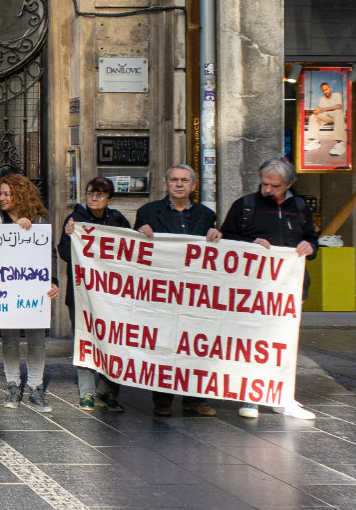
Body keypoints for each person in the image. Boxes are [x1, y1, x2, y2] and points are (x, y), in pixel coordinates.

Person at [214, 157, 318, 418]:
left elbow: (312, 239)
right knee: (252, 341)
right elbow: (227, 237)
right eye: (264, 184)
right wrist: (249, 243)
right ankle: (250, 396)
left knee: (285, 342)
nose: (268, 190)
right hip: (253, 287)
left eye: (275, 186)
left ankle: (283, 396)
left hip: (289, 287)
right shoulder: (246, 206)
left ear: (290, 184)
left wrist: (310, 247)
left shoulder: (300, 207)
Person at [134, 164, 218, 418]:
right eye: (174, 180)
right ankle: (162, 400)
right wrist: (138, 233)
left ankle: (195, 399)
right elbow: (132, 250)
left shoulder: (206, 215)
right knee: (164, 344)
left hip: (195, 292)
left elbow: (216, 250)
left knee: (194, 345)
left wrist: (217, 235)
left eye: (184, 180)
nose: (179, 184)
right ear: (166, 184)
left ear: (193, 185)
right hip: (162, 292)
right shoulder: (148, 212)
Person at [0, 173, 60, 412]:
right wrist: (14, 232)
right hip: (6, 290)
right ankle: (13, 384)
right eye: (1, 194)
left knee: (37, 338)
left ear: (21, 194)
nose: (2, 197)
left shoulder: (39, 221)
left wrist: (53, 281)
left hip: (33, 289)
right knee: (10, 337)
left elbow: (50, 253)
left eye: (7, 193)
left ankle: (36, 387)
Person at [59, 176, 129, 413]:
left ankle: (109, 392)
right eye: (91, 193)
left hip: (111, 295)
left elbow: (131, 250)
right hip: (81, 294)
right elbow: (65, 254)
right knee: (85, 341)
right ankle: (87, 392)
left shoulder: (117, 220)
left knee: (113, 341)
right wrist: (69, 237)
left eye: (100, 195)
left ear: (110, 199)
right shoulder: (75, 219)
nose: (94, 198)